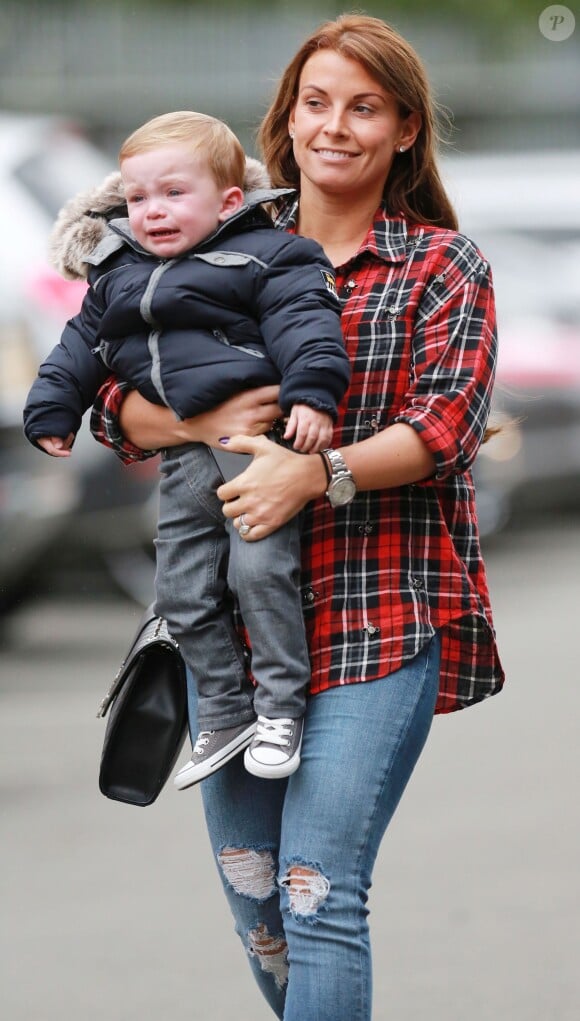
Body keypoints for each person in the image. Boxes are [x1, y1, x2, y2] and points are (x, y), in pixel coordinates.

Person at [62, 14, 505, 1020]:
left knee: (318, 893)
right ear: (285, 119)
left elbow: (448, 423)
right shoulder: (214, 245)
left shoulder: (441, 266)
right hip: (228, 643)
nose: (334, 127)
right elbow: (110, 404)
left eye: (363, 107)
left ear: (403, 130)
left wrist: (320, 476)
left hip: (376, 621)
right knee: (257, 901)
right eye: (315, 103)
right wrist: (201, 415)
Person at [23, 110, 351, 785]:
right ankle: (226, 715)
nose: (153, 211)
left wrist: (314, 395)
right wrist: (52, 408)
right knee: (179, 591)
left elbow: (307, 325)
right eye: (138, 197)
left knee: (258, 575)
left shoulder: (270, 254)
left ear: (230, 200)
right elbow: (77, 348)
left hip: (252, 451)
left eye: (174, 193)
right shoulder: (115, 273)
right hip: (181, 463)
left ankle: (280, 709)